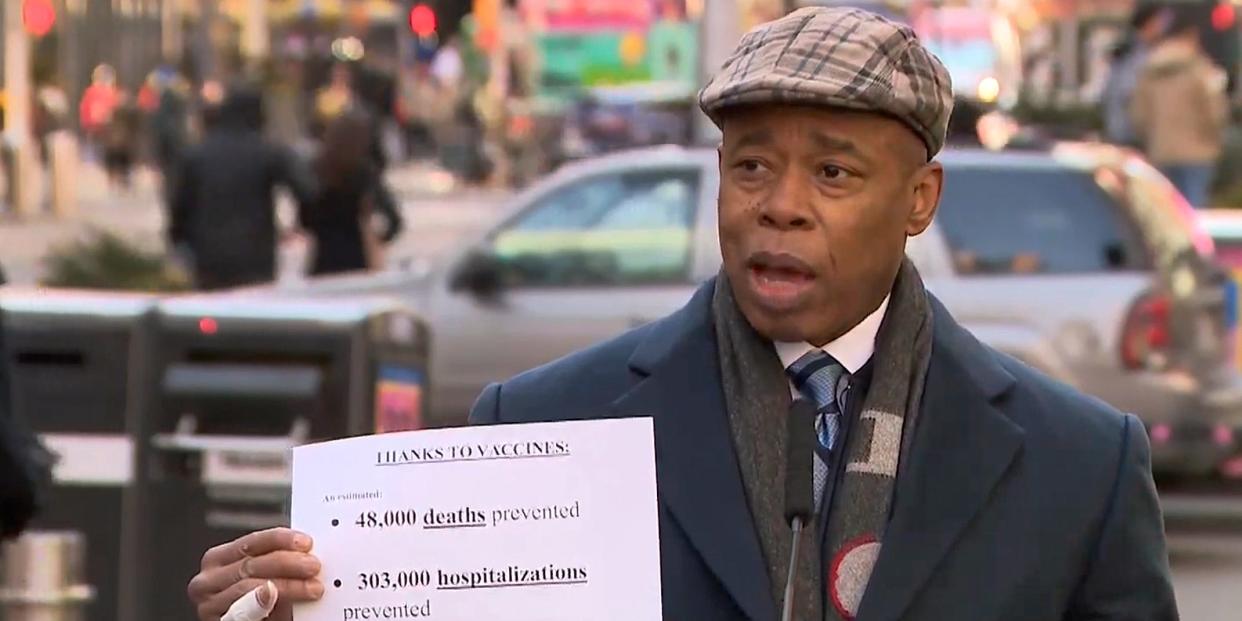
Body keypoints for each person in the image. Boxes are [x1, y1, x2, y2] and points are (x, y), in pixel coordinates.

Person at [188, 8, 1178, 621]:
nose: (778, 204)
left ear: (921, 198)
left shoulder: (1080, 469)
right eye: (751, 165)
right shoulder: (537, 432)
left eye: (832, 171)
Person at [168, 86, 315, 291]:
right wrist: (299, 225)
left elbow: (179, 207)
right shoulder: (268, 151)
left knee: (211, 314)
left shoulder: (197, 155)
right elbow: (306, 192)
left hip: (208, 254)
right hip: (255, 254)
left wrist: (182, 242)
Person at [1131, 11, 1229, 208]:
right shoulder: (1200, 69)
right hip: (1197, 152)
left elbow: (1138, 115)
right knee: (1194, 212)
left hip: (1161, 150)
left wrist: (1153, 138)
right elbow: (1215, 112)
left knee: (1168, 210)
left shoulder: (1150, 70)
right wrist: (1214, 140)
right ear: (1191, 36)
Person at [300, 110, 403, 276]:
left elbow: (305, 220)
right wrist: (378, 238)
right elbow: (395, 221)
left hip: (322, 262)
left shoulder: (316, 171)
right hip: (359, 260)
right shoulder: (364, 173)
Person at [1102, 5, 1170, 147]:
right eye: (1162, 21)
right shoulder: (1136, 54)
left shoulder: (1132, 50)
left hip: (1125, 133)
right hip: (1131, 137)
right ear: (1150, 23)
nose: (1165, 26)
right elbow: (1128, 93)